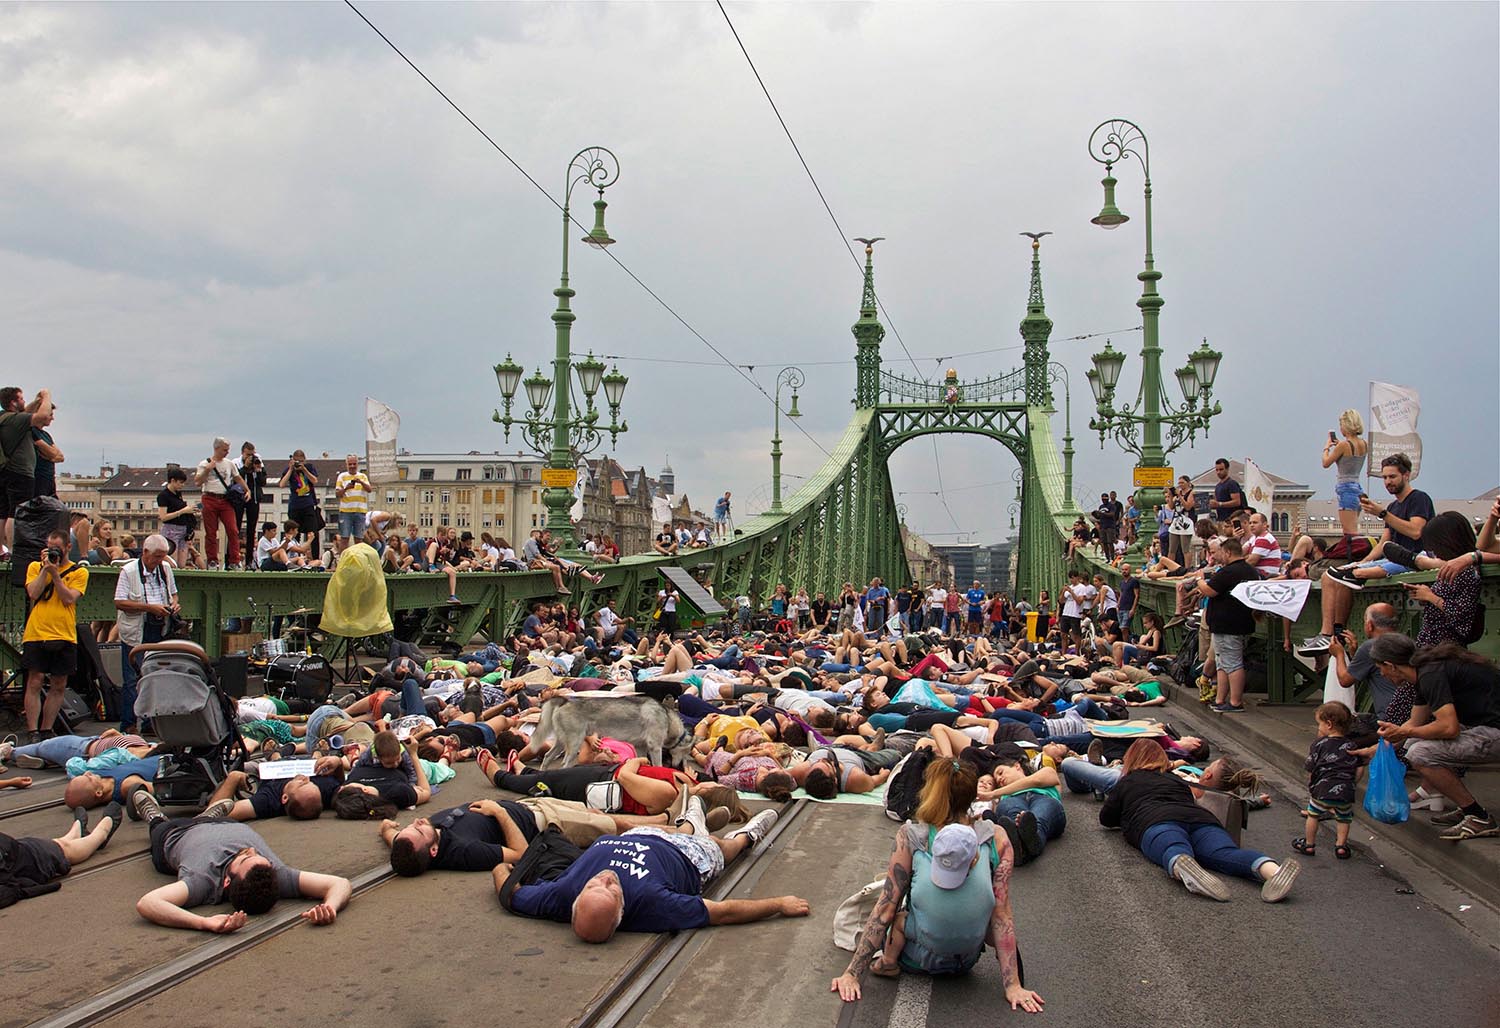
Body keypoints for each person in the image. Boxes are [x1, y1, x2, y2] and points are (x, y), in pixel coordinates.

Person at [831, 758, 1042, 1012]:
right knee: (992, 909)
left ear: (931, 793)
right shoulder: (996, 836)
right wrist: (1013, 986)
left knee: (896, 909)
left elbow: (885, 909)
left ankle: (888, 961)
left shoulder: (912, 836)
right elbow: (1002, 913)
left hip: (918, 960)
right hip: (966, 961)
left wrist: (852, 974)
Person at [498, 809, 795, 942]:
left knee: (621, 823)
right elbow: (722, 912)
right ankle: (746, 835)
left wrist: (501, 868)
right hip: (689, 856)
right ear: (622, 910)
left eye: (594, 885)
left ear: (576, 898)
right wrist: (779, 905)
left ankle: (693, 819)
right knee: (723, 847)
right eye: (612, 888)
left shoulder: (560, 895)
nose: (606, 877)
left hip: (640, 834)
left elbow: (510, 893)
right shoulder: (653, 904)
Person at [1101, 739, 1299, 902]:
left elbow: (1106, 818)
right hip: (1201, 819)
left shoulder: (1127, 781)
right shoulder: (1176, 779)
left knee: (1172, 846)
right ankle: (1272, 870)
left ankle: (1184, 867)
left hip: (1155, 819)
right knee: (1225, 853)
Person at [130, 790, 353, 932]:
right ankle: (209, 814)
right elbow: (340, 883)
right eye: (258, 856)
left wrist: (203, 923)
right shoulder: (275, 875)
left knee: (159, 830)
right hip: (226, 822)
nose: (251, 850)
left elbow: (148, 903)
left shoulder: (202, 881)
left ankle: (153, 816)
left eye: (244, 858)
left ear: (227, 881)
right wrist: (330, 907)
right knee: (213, 818)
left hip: (175, 833)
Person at [1300, 453, 1433, 654]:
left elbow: (1416, 531)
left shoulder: (1419, 499)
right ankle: (1329, 634)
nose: (1388, 482)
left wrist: (1382, 514)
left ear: (1406, 476)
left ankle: (1335, 634)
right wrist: (1361, 562)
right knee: (1333, 575)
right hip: (1391, 557)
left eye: (1392, 477)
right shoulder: (1393, 506)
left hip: (1412, 558)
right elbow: (1383, 542)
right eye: (1385, 478)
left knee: (1352, 575)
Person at [1374, 637, 1500, 841]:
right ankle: (1466, 806)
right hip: (1485, 726)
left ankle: (1477, 816)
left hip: (1494, 731)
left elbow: (1448, 728)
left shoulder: (1430, 675)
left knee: (1420, 752)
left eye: (1381, 668)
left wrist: (1405, 733)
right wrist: (1376, 750)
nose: (1381, 674)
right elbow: (1413, 724)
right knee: (1412, 743)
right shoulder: (1425, 671)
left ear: (1391, 665)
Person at [21, 530, 88, 743]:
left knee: (59, 683)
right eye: (49, 548)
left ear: (68, 547)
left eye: (57, 549)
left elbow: (69, 599)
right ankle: (33, 731)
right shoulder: (34, 567)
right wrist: (45, 570)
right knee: (35, 680)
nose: (53, 553)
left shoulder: (79, 572)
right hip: (37, 631)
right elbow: (33, 593)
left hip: (64, 633)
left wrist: (57, 574)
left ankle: (47, 728)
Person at [112, 535, 180, 732]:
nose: (160, 561)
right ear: (145, 553)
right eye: (157, 557)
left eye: (163, 557)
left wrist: (173, 604)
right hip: (136, 630)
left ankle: (151, 723)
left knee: (155, 676)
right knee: (132, 678)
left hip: (159, 628)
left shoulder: (165, 569)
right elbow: (119, 602)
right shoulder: (129, 571)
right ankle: (129, 724)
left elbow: (174, 593)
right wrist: (150, 608)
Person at [0, 806, 124, 908]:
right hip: (30, 855)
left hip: (29, 854)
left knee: (62, 848)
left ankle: (88, 833)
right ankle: (88, 834)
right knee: (62, 848)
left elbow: (11, 888)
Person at [1197, 536, 1259, 713]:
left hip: (1228, 624)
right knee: (1222, 663)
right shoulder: (1251, 571)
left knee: (1232, 663)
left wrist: (1200, 580)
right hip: (1241, 622)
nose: (1219, 557)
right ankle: (1220, 699)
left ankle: (1235, 701)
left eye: (1221, 553)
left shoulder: (1229, 572)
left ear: (1228, 552)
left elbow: (1210, 591)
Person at [1293, 701, 1359, 859]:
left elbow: (1311, 767)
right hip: (1345, 791)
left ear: (1329, 724)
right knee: (1344, 818)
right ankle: (1341, 846)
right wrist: (1352, 783)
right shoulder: (1352, 745)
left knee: (1313, 815)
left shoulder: (1319, 744)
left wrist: (1313, 783)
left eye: (1319, 724)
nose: (1318, 728)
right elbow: (1359, 768)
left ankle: (1309, 844)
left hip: (1322, 789)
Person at [0, 387, 54, 555]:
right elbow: (42, 417)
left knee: (3, 512)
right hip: (20, 472)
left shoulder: (6, 418)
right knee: (16, 511)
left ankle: (2, 550)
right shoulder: (15, 420)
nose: (24, 402)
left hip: (7, 471)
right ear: (13, 403)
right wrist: (46, 397)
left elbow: (25, 412)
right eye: (21, 399)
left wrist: (36, 402)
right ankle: (12, 549)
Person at [1327, 602, 1401, 718]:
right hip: (1409, 712)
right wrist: (1354, 654)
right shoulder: (1406, 642)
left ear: (1370, 625)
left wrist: (1339, 654)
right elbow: (1369, 670)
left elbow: (1345, 680)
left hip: (1388, 716)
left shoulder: (1370, 646)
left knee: (1330, 724)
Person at [193, 437, 247, 570]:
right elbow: (198, 481)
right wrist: (207, 469)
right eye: (224, 450)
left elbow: (237, 477)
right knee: (211, 531)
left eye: (228, 450)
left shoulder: (229, 464)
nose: (227, 452)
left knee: (233, 530)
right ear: (216, 448)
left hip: (225, 500)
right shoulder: (204, 463)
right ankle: (212, 560)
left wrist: (247, 490)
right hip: (209, 498)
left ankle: (234, 560)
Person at [1321, 410, 1370, 548]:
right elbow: (1350, 457)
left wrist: (1326, 448)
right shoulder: (1364, 444)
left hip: (1345, 488)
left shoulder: (1343, 446)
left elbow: (1326, 463)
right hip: (1357, 487)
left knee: (1349, 533)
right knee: (1353, 528)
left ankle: (1351, 556)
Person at [279, 450, 322, 559]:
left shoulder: (309, 467)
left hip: (308, 504)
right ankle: (295, 558)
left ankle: (315, 558)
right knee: (294, 533)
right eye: (297, 461)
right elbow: (282, 484)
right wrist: (290, 469)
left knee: (313, 533)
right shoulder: (289, 470)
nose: (299, 464)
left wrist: (304, 469)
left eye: (301, 461)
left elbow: (315, 480)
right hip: (295, 505)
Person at [155, 467, 198, 567]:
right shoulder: (163, 495)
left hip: (183, 531)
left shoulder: (178, 494)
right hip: (171, 530)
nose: (182, 485)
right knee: (172, 562)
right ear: (172, 480)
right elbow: (163, 517)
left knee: (181, 563)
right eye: (180, 482)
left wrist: (190, 510)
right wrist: (182, 511)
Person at [334, 454, 371, 553]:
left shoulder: (363, 476)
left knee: (359, 539)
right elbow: (337, 493)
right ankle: (342, 561)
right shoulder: (342, 476)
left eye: (354, 464)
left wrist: (361, 482)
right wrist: (346, 488)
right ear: (346, 464)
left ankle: (358, 561)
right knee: (344, 538)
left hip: (360, 511)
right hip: (345, 511)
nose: (352, 466)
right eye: (350, 464)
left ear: (357, 464)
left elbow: (369, 489)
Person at [1207, 458, 1245, 523]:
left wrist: (1220, 504)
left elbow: (1237, 501)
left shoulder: (1231, 483)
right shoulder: (1218, 486)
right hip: (1221, 519)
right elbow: (1216, 503)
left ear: (1227, 469)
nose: (1218, 472)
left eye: (1221, 469)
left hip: (1231, 520)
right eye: (1217, 470)